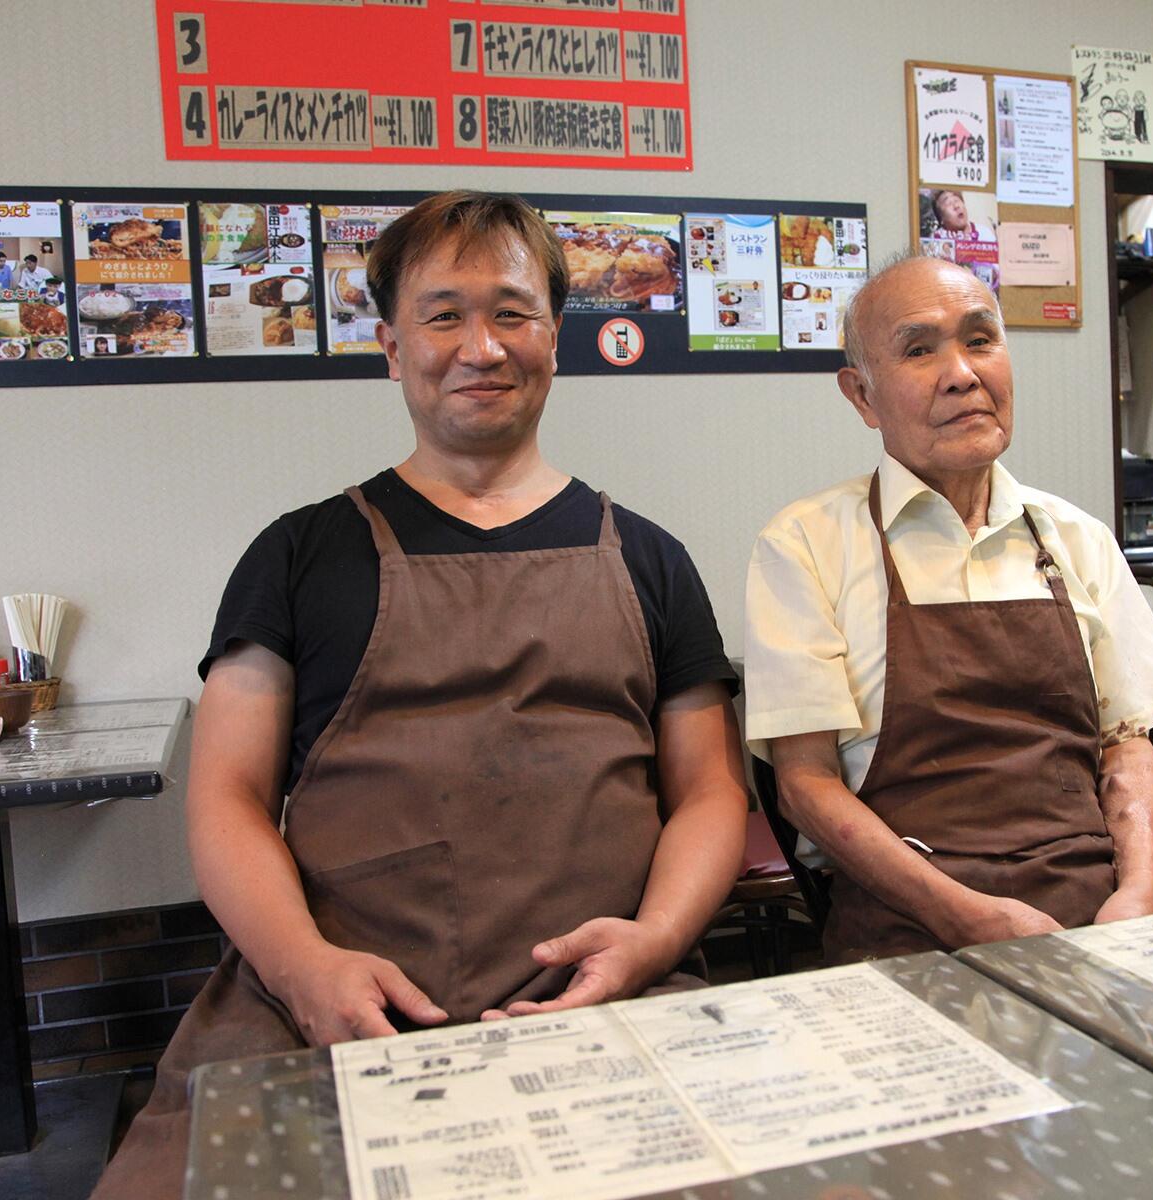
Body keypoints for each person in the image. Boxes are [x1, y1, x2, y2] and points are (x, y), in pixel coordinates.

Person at [92, 190, 747, 1199]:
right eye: (444, 315)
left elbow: (709, 794)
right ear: (392, 348)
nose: (480, 347)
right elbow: (225, 796)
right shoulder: (298, 555)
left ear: (554, 340)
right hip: (325, 1011)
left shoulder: (651, 559)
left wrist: (655, 942)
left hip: (599, 997)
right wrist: (304, 969)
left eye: (513, 313)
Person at [742, 254, 1153, 964]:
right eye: (919, 350)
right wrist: (963, 915)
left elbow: (1126, 742)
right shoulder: (805, 544)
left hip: (1096, 914)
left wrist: (1140, 889)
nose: (962, 373)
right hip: (911, 926)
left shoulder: (1078, 538)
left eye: (980, 339)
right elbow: (804, 786)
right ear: (861, 396)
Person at [926, 189, 994, 242]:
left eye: (957, 200)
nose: (956, 206)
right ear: (941, 218)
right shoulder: (936, 240)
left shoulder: (984, 233)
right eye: (949, 204)